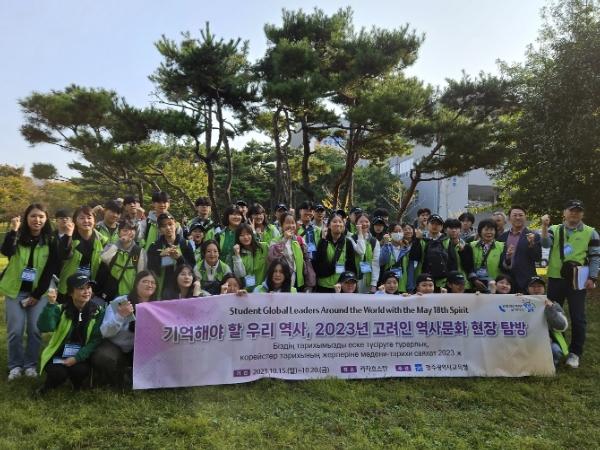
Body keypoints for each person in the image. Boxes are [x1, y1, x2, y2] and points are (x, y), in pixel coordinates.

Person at [0, 204, 58, 381]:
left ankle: (30, 365)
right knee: (15, 331)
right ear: (26, 218)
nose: (37, 220)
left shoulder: (50, 240)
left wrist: (36, 295)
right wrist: (13, 231)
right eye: (33, 216)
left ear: (46, 219)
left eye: (41, 216)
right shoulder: (17, 236)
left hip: (38, 292)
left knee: (34, 330)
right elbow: (6, 251)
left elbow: (50, 270)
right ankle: (15, 366)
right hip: (15, 290)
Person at [541, 199, 600, 368]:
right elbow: (545, 243)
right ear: (564, 213)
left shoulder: (591, 232)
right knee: (552, 315)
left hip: (578, 280)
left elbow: (595, 257)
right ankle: (556, 348)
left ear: (582, 214)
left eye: (578, 211)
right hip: (556, 278)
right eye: (571, 210)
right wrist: (544, 226)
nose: (574, 213)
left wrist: (593, 278)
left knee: (578, 317)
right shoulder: (554, 229)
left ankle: (575, 353)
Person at [37, 274, 104, 394]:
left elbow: (95, 340)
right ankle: (47, 386)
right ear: (71, 293)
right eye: (81, 288)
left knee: (80, 370)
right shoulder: (60, 309)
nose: (87, 291)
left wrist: (77, 358)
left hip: (81, 355)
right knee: (58, 373)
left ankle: (76, 385)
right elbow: (45, 327)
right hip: (59, 354)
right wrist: (50, 305)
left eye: (88, 287)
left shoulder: (98, 311)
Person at [92, 271, 158, 387]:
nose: (149, 285)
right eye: (145, 281)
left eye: (153, 283)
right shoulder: (121, 301)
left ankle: (131, 376)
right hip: (115, 345)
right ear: (136, 284)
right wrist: (120, 316)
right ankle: (120, 379)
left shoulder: (157, 306)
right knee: (103, 357)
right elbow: (105, 331)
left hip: (139, 348)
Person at [57, 206, 105, 304]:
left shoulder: (102, 240)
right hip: (68, 288)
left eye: (89, 218)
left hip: (89, 289)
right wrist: (68, 235)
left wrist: (96, 288)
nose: (86, 221)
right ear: (75, 221)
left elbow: (104, 267)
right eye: (82, 218)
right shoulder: (68, 238)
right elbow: (63, 255)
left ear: (94, 220)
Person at [96, 220, 146, 302]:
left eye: (132, 230)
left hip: (130, 293)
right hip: (112, 290)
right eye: (125, 230)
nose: (129, 233)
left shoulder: (139, 251)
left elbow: (141, 273)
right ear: (119, 233)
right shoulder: (112, 246)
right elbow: (104, 258)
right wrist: (119, 243)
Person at [524, 276, 569, 367]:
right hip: (525, 338)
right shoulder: (520, 302)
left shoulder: (553, 304)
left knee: (556, 351)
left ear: (544, 289)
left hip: (548, 340)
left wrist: (551, 309)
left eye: (539, 286)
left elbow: (562, 326)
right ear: (527, 289)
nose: (536, 289)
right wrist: (515, 300)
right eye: (533, 286)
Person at [147, 213, 195, 298]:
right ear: (160, 229)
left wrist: (179, 258)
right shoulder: (154, 246)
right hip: (162, 289)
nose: (168, 228)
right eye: (164, 226)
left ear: (175, 225)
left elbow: (192, 268)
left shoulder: (185, 244)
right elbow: (150, 268)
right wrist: (160, 256)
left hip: (183, 290)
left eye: (170, 224)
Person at [498, 206, 542, 293]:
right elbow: (500, 260)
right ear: (509, 218)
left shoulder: (533, 236)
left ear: (525, 217)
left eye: (521, 215)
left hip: (526, 280)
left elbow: (537, 258)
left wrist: (531, 245)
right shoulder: (502, 237)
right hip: (507, 282)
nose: (518, 217)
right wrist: (507, 258)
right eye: (514, 215)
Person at [315, 212, 356, 292]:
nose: (338, 224)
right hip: (323, 285)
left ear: (343, 225)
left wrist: (343, 283)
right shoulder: (322, 241)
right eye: (334, 222)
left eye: (340, 222)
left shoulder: (348, 243)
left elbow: (351, 267)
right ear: (329, 225)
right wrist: (323, 240)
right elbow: (319, 264)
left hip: (341, 286)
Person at [269, 212, 311, 291]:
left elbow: (307, 261)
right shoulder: (275, 241)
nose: (291, 226)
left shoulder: (300, 240)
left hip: (298, 281)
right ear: (282, 225)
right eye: (287, 223)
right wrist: (284, 239)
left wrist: (309, 282)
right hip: (281, 281)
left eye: (293, 223)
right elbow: (272, 257)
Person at [379, 223, 421, 294]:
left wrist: (410, 288)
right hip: (387, 287)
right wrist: (386, 244)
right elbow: (382, 261)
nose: (398, 233)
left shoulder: (407, 250)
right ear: (390, 234)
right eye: (395, 231)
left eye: (400, 231)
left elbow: (410, 270)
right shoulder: (386, 247)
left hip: (402, 287)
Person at [468, 219, 507, 293]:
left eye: (491, 230)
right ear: (480, 231)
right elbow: (468, 266)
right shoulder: (471, 245)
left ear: (495, 231)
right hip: (475, 285)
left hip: (495, 286)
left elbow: (505, 267)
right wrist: (474, 280)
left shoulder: (502, 246)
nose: (489, 232)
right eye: (486, 230)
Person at [420, 214, 457, 291]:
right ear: (427, 225)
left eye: (438, 224)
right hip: (425, 281)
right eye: (432, 223)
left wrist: (451, 280)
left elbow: (452, 262)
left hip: (443, 281)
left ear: (442, 226)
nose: (435, 226)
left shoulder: (447, 240)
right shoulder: (422, 240)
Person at [232, 223, 269, 292]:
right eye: (242, 235)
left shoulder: (264, 247)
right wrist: (237, 255)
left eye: (248, 234)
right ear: (238, 238)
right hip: (247, 292)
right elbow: (240, 274)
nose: (246, 237)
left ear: (252, 234)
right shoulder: (238, 253)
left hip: (264, 290)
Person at [351, 213, 380, 293]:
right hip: (353, 279)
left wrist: (374, 283)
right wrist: (360, 234)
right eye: (361, 222)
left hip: (368, 280)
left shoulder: (374, 241)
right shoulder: (351, 239)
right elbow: (361, 251)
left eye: (366, 222)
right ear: (356, 224)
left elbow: (375, 263)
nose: (364, 224)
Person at [444, 218, 475, 291]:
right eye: (451, 228)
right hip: (447, 284)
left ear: (460, 230)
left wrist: (462, 252)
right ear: (445, 230)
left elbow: (469, 267)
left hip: (464, 284)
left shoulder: (466, 246)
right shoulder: (441, 245)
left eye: (456, 228)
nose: (454, 230)